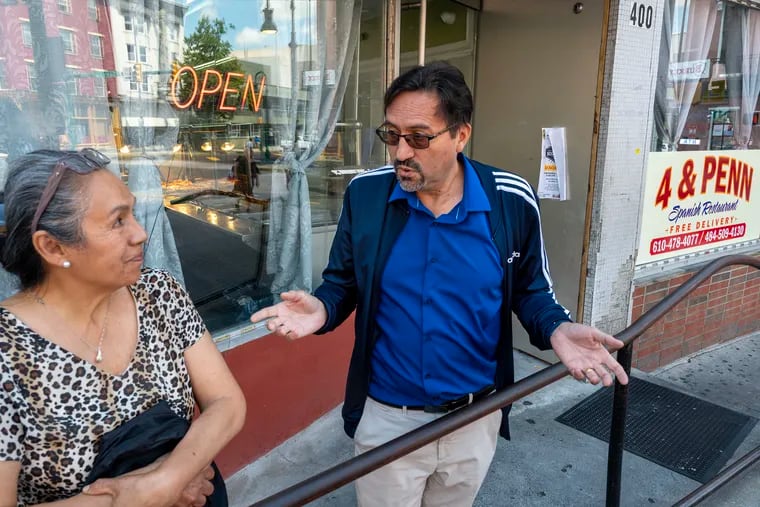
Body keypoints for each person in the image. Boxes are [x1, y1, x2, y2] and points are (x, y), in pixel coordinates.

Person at [250, 61, 629, 506]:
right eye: (391, 135)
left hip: (475, 417)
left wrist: (557, 328)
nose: (400, 153)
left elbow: (531, 291)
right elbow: (343, 283)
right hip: (388, 420)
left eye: (419, 137)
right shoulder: (367, 195)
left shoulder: (509, 199)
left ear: (461, 135)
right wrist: (323, 308)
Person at [0, 149, 247, 506]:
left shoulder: (159, 293)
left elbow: (226, 401)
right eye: (118, 221)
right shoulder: (8, 352)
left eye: (132, 213)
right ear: (52, 247)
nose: (140, 233)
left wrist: (167, 480)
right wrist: (133, 499)